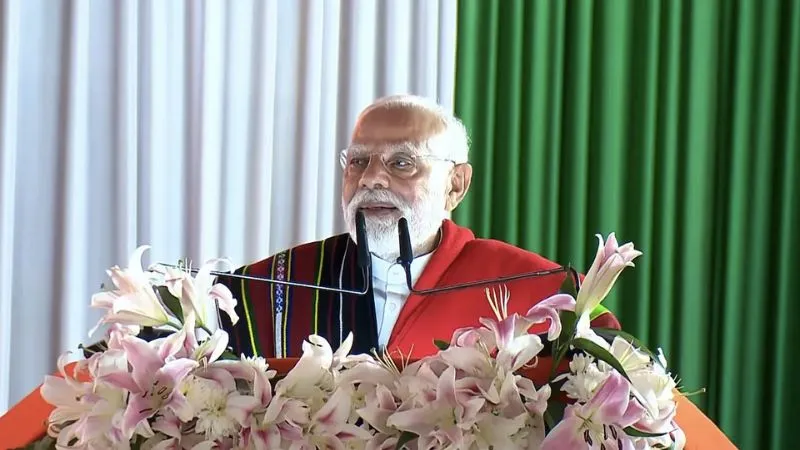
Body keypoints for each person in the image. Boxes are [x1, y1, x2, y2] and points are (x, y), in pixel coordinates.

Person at [216, 94, 619, 360]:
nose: (370, 179)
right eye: (358, 161)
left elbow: (604, 385)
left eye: (401, 163)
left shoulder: (536, 289)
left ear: (455, 185)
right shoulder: (277, 284)